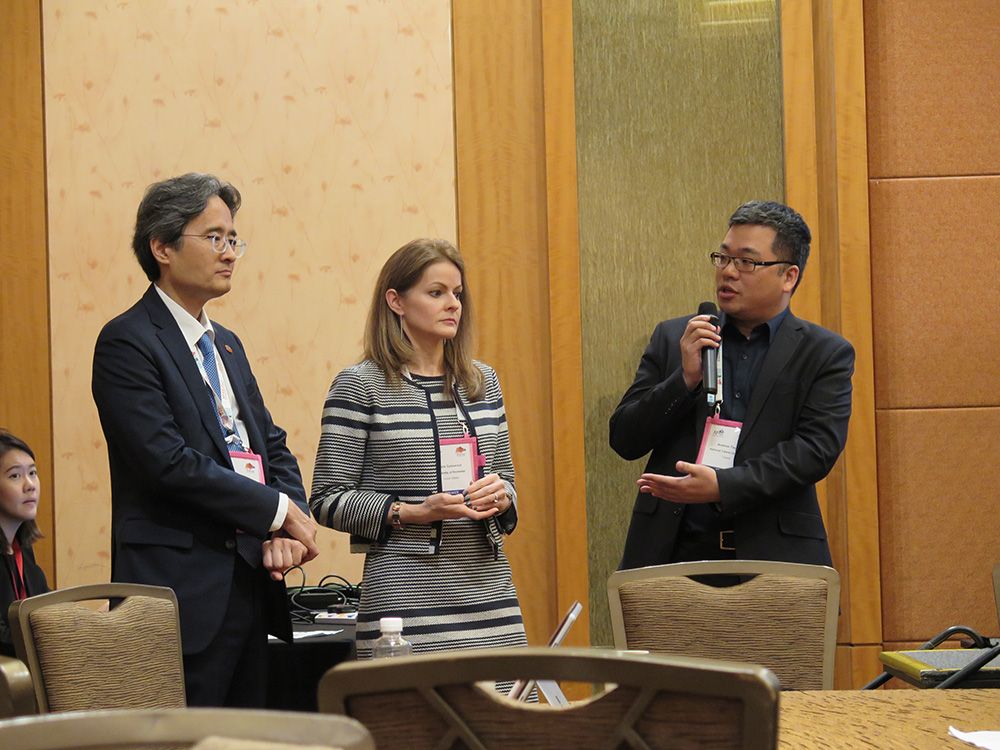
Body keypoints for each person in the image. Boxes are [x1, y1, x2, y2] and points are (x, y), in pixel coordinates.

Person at [91, 173, 319, 707]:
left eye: (234, 239)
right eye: (214, 237)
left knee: (247, 737)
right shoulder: (127, 341)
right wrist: (278, 511)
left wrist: (288, 525)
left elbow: (271, 445)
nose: (230, 252)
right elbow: (167, 463)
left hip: (251, 583)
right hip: (178, 594)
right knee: (184, 738)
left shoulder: (227, 345)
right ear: (162, 248)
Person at [310, 238, 528, 660]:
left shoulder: (482, 382)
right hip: (404, 600)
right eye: (436, 292)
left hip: (489, 594)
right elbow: (326, 499)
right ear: (396, 301)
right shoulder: (360, 385)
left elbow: (507, 480)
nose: (453, 305)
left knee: (503, 705)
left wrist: (502, 497)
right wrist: (412, 513)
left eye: (457, 294)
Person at [610, 200, 854, 570]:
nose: (728, 272)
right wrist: (685, 380)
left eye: (746, 262)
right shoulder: (676, 338)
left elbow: (815, 450)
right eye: (722, 258)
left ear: (788, 276)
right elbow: (625, 439)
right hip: (671, 556)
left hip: (775, 558)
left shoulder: (824, 352)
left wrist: (724, 486)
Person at [0, 430, 50, 657]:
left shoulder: (22, 548)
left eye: (32, 473)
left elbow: (45, 606)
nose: (30, 485)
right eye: (15, 476)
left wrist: (91, 619)